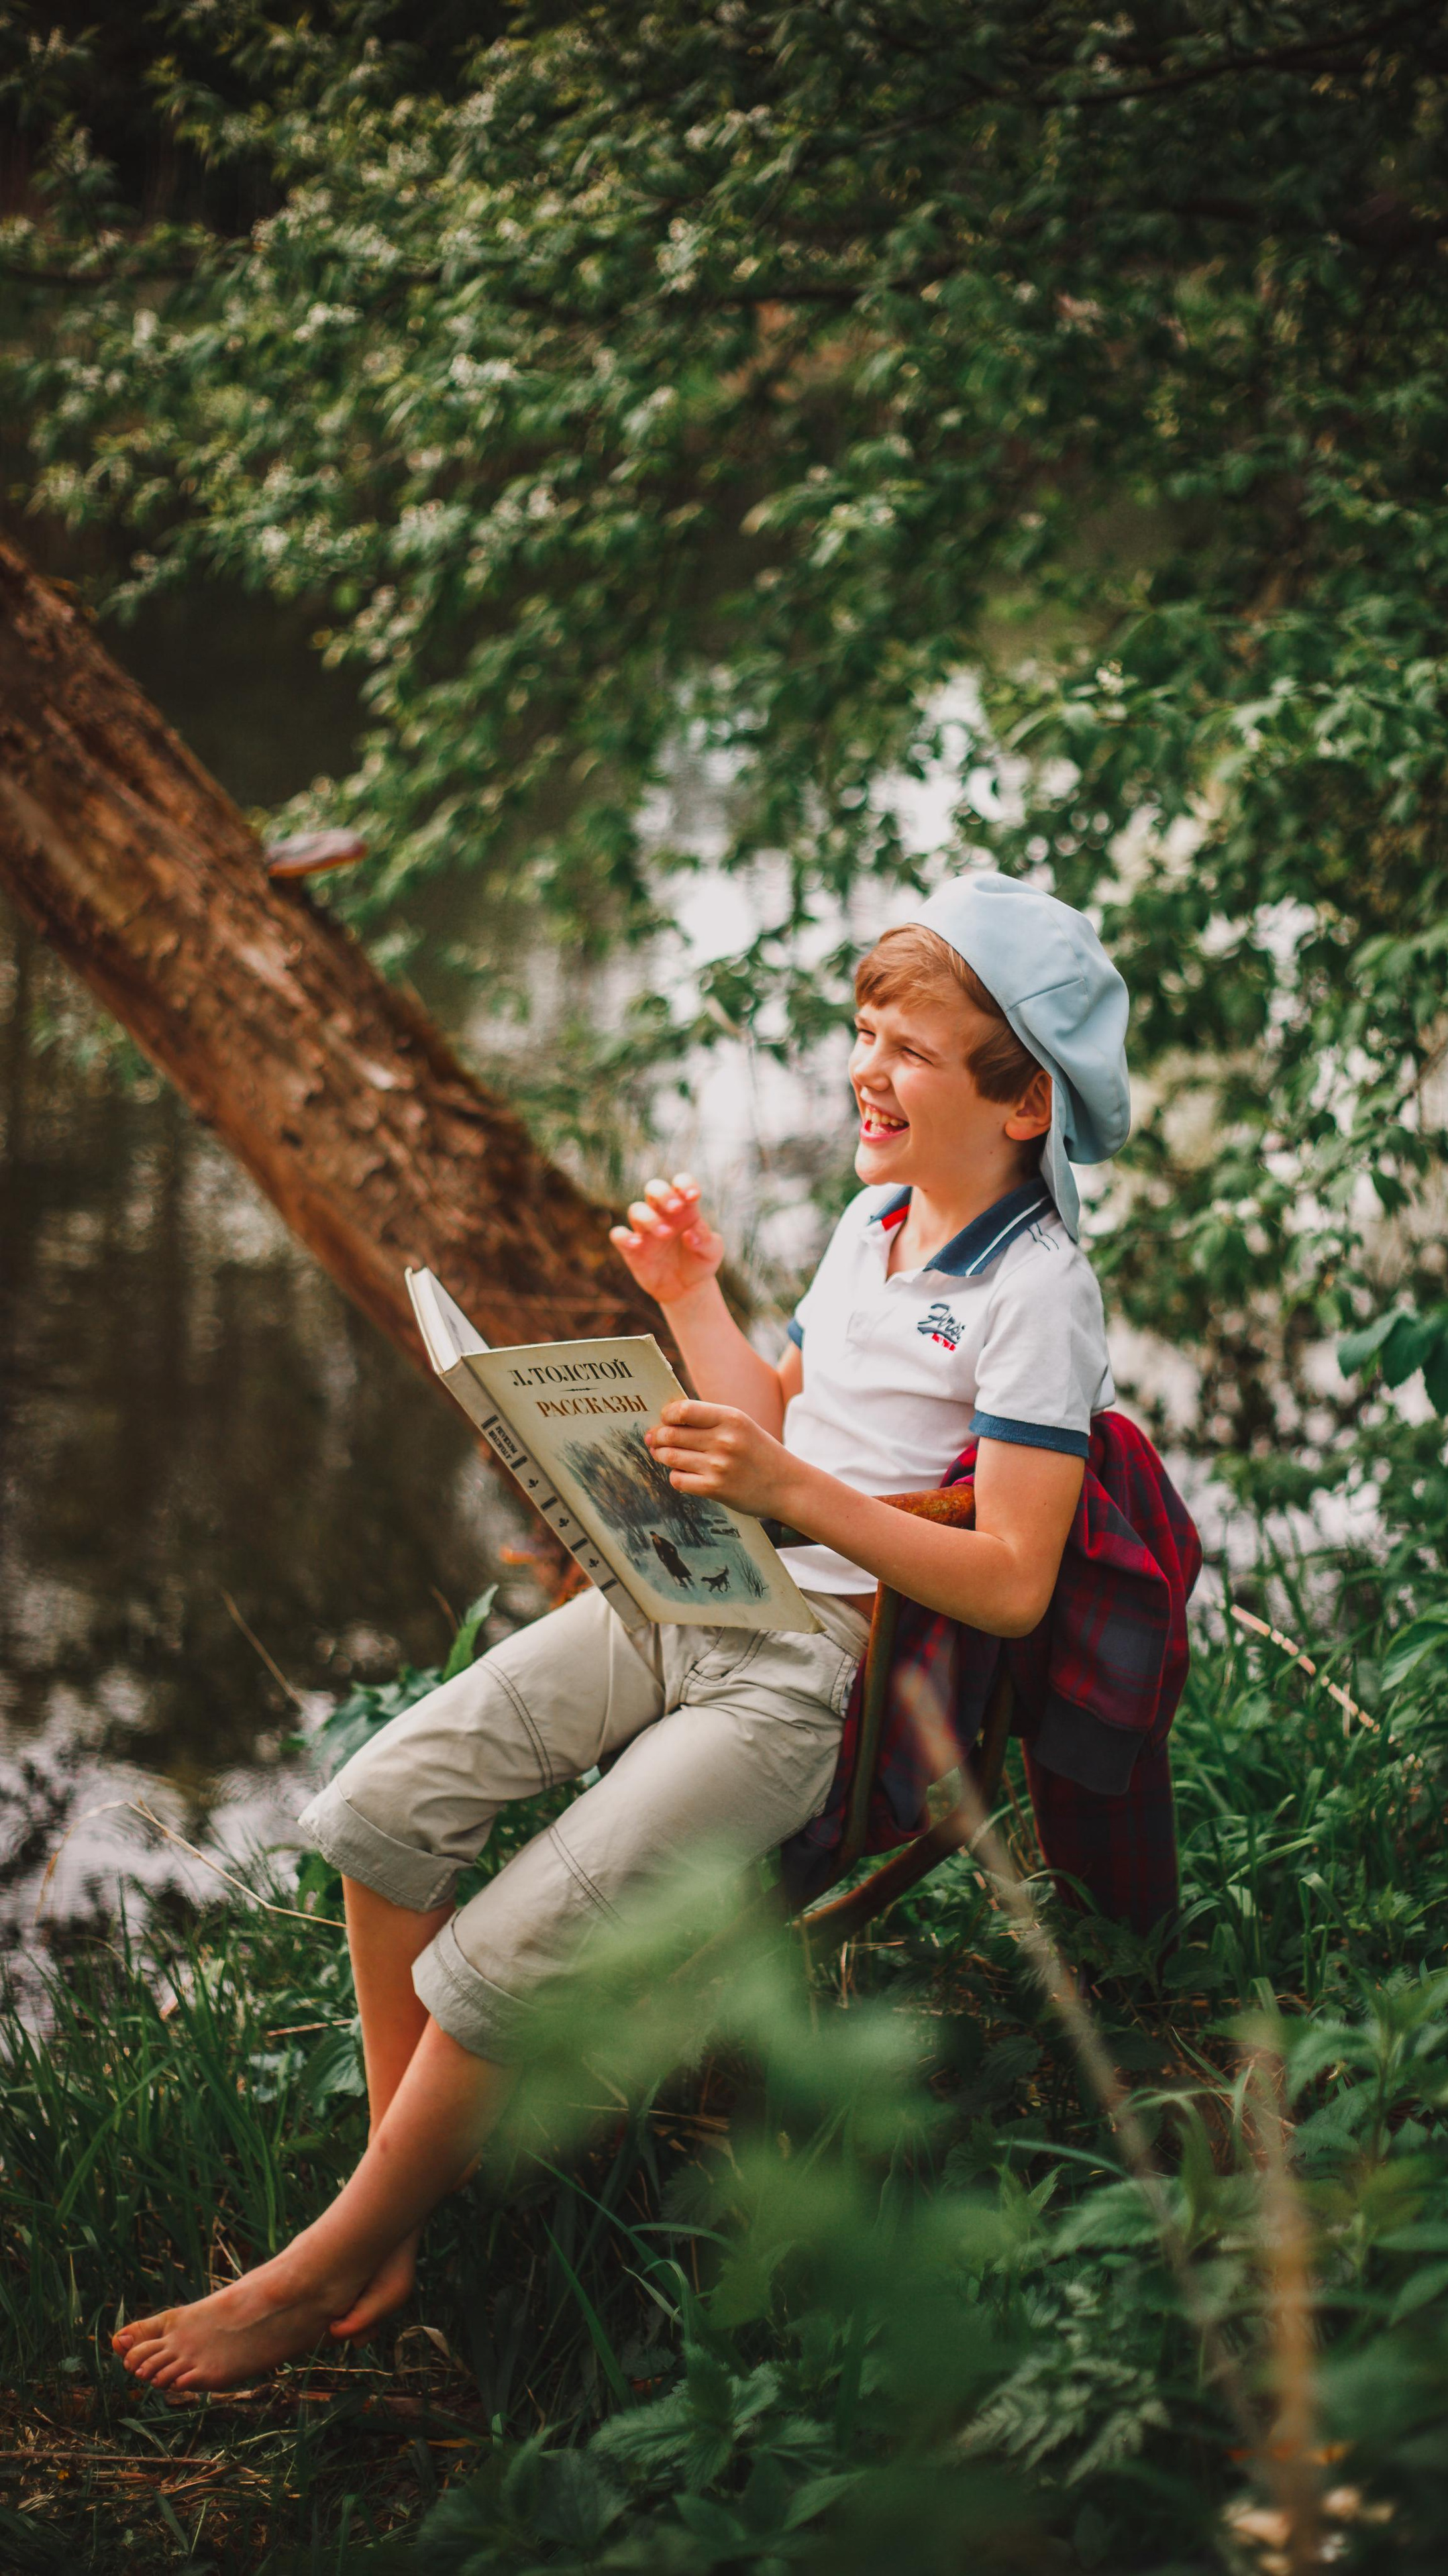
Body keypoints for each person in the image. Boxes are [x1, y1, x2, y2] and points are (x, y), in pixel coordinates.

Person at [111, 872, 1131, 2392]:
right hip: (700, 1582)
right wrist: (691, 1300)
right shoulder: (873, 1224)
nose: (865, 1067)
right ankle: (401, 2213)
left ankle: (321, 2262)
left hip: (814, 1676)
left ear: (1025, 1103)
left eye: (907, 1049)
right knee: (383, 1814)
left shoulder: (1038, 1294)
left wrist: (787, 1487)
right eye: (863, 1033)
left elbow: (1007, 1583)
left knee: (505, 1947)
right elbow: (780, 1419)